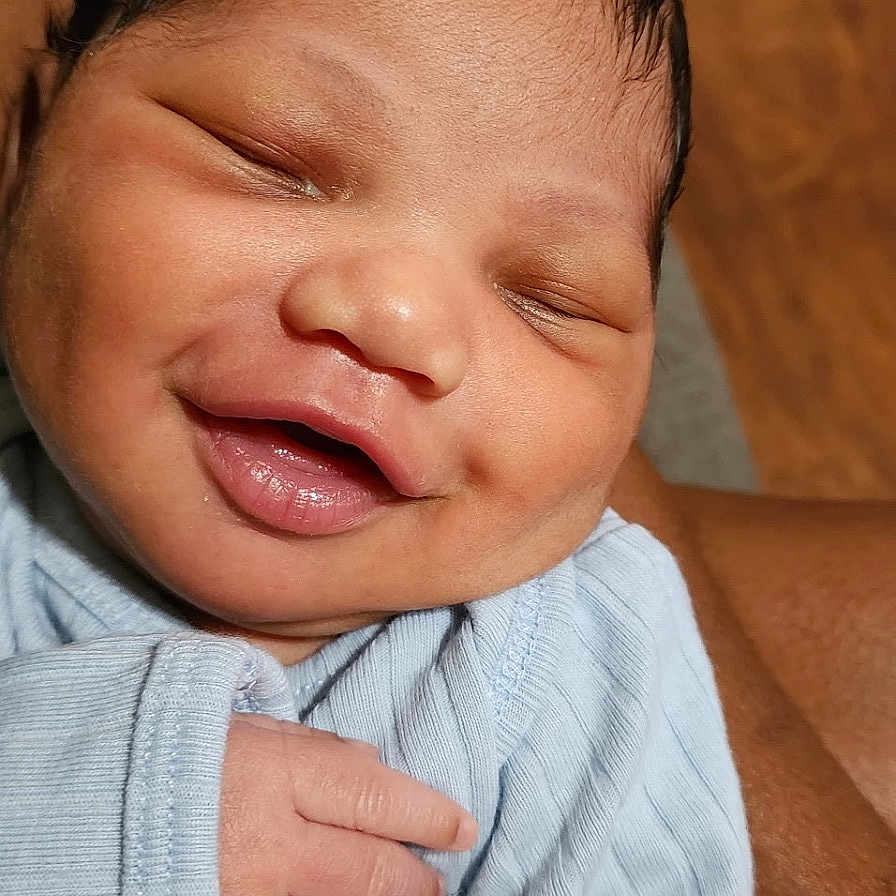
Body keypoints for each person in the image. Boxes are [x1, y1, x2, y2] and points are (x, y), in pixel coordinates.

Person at [0, 1, 892, 895]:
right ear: (27, 146)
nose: (398, 320)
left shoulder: (582, 690)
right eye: (270, 160)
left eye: (548, 296)